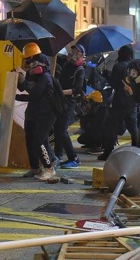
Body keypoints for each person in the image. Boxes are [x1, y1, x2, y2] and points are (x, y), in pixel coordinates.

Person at [15, 42, 58, 181]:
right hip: (33, 110)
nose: (28, 63)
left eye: (30, 60)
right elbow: (26, 90)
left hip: (46, 113)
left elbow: (35, 91)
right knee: (30, 139)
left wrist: (24, 81)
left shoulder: (45, 77)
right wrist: (17, 79)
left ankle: (49, 168)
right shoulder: (31, 74)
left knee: (40, 140)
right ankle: (35, 167)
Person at [98, 44, 138, 161]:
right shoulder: (135, 66)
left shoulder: (118, 66)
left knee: (112, 128)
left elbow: (114, 84)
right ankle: (138, 149)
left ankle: (107, 152)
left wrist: (107, 75)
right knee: (133, 127)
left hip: (119, 102)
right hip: (132, 101)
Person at [55, 44, 86, 169]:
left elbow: (77, 89)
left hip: (69, 102)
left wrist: (62, 92)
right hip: (60, 101)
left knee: (62, 130)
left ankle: (74, 158)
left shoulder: (80, 70)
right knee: (57, 129)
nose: (73, 53)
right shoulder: (67, 65)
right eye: (72, 50)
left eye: (76, 51)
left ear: (81, 55)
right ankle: (57, 157)